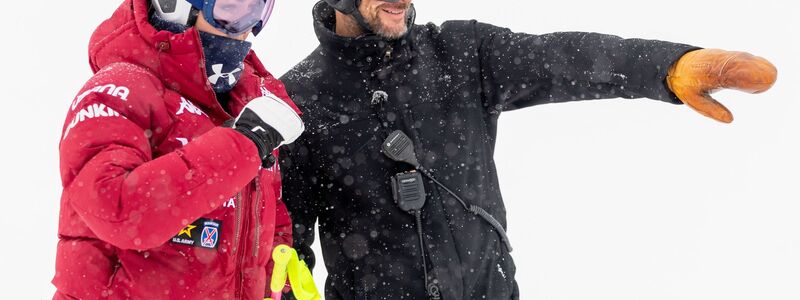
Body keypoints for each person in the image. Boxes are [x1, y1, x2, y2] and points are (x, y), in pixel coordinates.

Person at [278, 0, 778, 299]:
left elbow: (561, 57)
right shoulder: (298, 100)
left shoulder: (458, 53)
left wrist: (668, 67)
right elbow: (283, 247)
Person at [53, 0, 305, 298]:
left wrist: (276, 276)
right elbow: (120, 210)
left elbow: (265, 210)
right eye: (231, 9)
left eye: (256, 11)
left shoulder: (241, 97)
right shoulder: (115, 92)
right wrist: (243, 145)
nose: (244, 29)